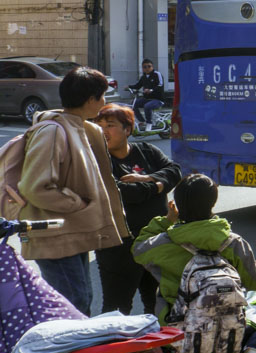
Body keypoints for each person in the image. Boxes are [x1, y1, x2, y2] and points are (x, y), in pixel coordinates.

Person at [132, 174, 256, 353]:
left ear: (177, 205)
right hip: (228, 336)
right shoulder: (232, 242)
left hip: (177, 335)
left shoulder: (162, 244)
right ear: (213, 203)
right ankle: (252, 352)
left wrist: (166, 221)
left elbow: (137, 249)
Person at [18, 67, 127, 314]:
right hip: (55, 232)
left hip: (71, 229)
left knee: (80, 299)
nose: (104, 101)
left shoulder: (81, 127)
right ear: (91, 100)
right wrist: (77, 206)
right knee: (71, 304)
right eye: (102, 96)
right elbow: (35, 187)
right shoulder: (53, 131)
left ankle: (72, 352)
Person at [92, 103, 182, 315]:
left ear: (127, 129)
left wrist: (147, 178)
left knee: (158, 306)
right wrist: (158, 186)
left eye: (110, 125)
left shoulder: (147, 150)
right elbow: (121, 192)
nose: (103, 131)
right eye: (99, 125)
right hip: (118, 248)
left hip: (156, 244)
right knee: (116, 310)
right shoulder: (98, 160)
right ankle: (115, 348)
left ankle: (157, 348)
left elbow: (175, 171)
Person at [128, 58, 166, 128]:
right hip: (147, 99)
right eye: (145, 67)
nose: (147, 68)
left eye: (149, 66)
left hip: (158, 100)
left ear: (152, 67)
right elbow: (137, 86)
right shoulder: (143, 77)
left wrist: (151, 90)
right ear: (142, 68)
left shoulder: (157, 74)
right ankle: (142, 121)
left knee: (147, 106)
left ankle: (149, 123)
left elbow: (160, 85)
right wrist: (129, 87)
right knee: (133, 103)